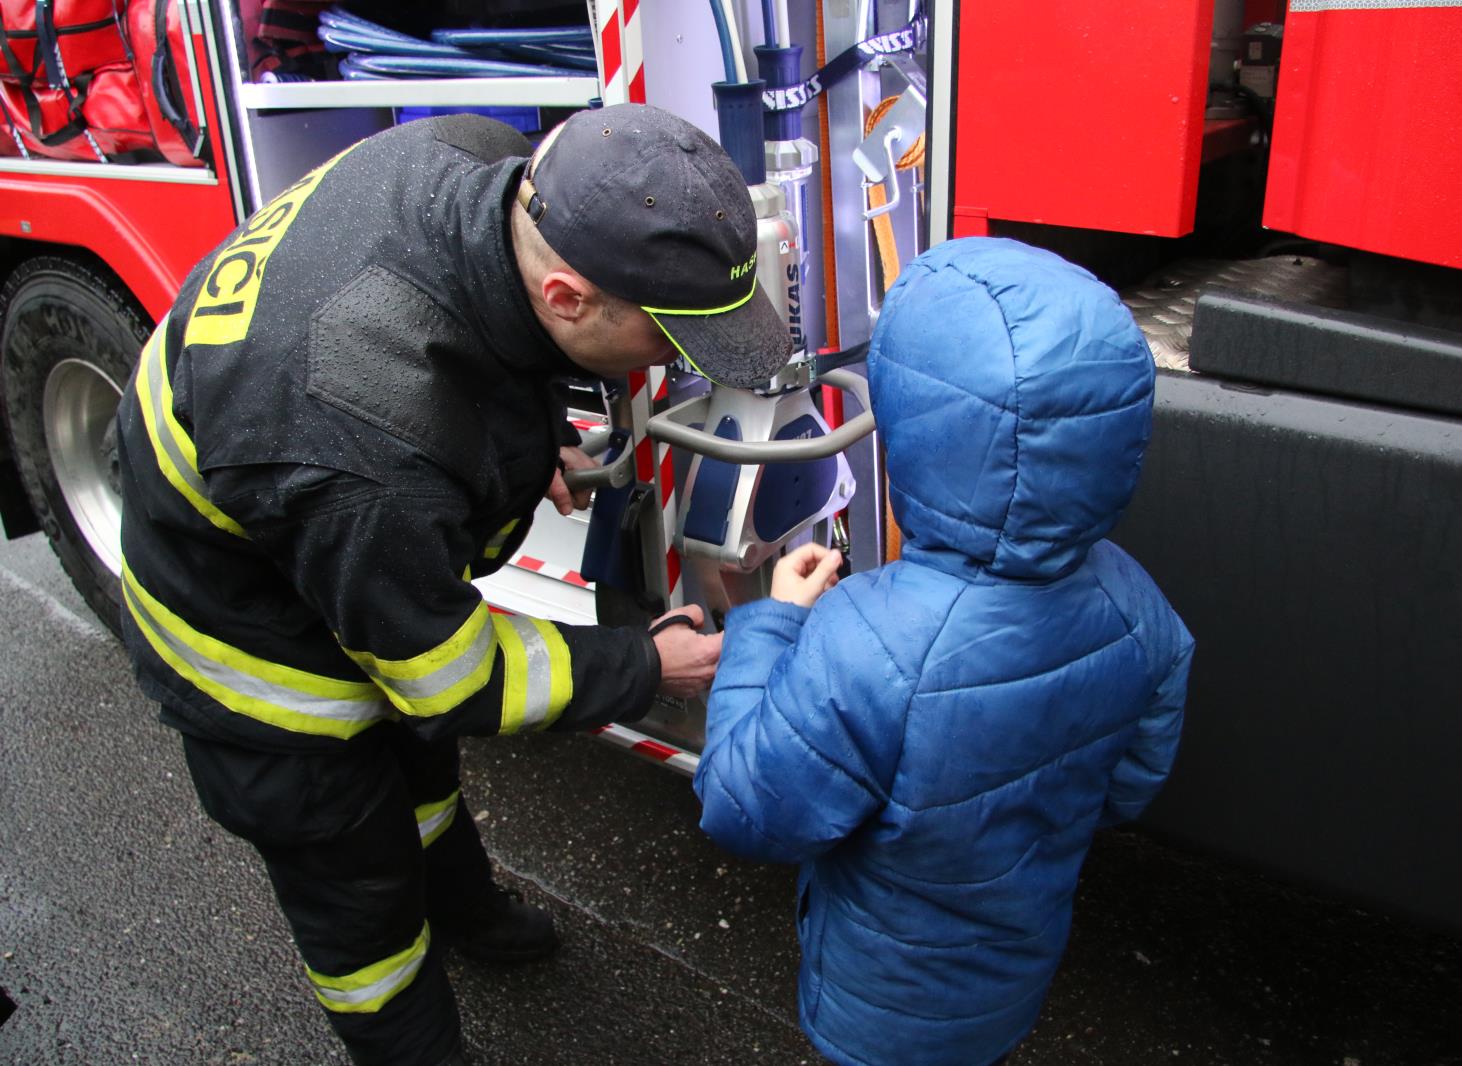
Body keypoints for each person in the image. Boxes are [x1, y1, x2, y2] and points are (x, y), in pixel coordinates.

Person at [115, 103, 791, 1066]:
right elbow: (449, 681)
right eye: (670, 339)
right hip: (249, 643)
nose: (677, 364)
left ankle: (467, 910)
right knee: (356, 883)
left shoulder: (480, 160)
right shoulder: (365, 442)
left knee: (421, 778)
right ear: (566, 294)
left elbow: (475, 339)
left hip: (304, 496)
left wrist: (512, 445)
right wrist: (643, 667)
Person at [693, 237, 1195, 1066]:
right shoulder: (1138, 603)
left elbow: (743, 808)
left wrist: (772, 623)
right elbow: (1127, 790)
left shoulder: (867, 638)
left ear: (921, 426)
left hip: (879, 1011)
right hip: (1009, 978)